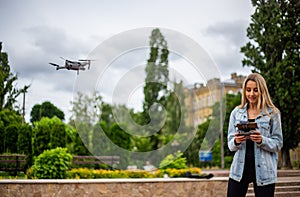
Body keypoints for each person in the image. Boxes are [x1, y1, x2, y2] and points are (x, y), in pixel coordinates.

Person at [227, 73, 283, 197]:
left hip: (265, 171)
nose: (251, 94)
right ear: (244, 91)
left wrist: (261, 140)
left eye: (255, 90)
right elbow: (230, 145)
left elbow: (278, 143)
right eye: (248, 90)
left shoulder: (273, 113)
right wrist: (236, 141)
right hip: (239, 171)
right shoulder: (236, 113)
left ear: (262, 91)